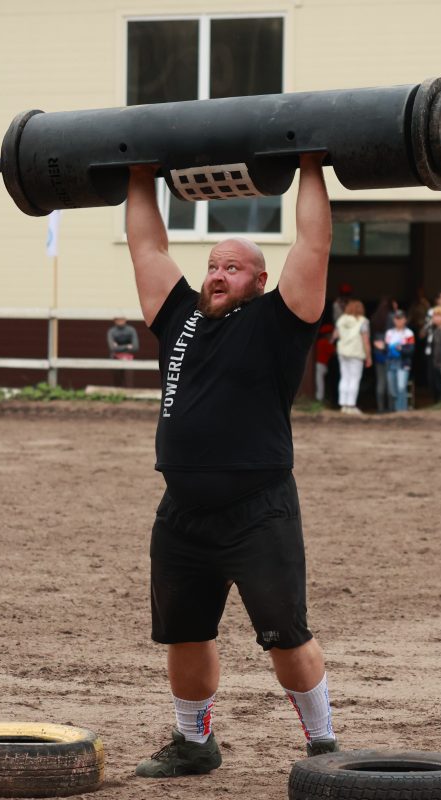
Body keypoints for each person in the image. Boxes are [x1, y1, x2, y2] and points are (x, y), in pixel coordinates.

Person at [123, 154, 338, 778]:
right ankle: (194, 743)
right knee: (185, 632)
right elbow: (146, 247)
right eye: (213, 266)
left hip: (258, 510)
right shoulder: (180, 316)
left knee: (285, 635)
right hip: (182, 512)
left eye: (233, 267)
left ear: (260, 279)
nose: (217, 275)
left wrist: (310, 161)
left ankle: (324, 745)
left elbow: (313, 243)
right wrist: (139, 172)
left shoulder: (282, 319)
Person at [333, 299, 371, 414]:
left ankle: (343, 405)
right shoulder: (363, 321)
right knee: (354, 379)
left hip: (342, 352)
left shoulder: (341, 320)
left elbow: (335, 335)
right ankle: (351, 405)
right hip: (356, 353)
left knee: (344, 378)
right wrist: (369, 357)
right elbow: (365, 341)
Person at [383, 310, 415, 412]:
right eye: (396, 318)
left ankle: (402, 410)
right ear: (393, 320)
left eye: (400, 318)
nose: (398, 321)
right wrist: (385, 348)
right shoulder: (389, 333)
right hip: (391, 362)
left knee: (401, 386)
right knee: (392, 389)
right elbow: (386, 348)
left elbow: (411, 349)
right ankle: (398, 408)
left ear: (405, 320)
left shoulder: (409, 333)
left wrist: (400, 349)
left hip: (403, 362)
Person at [423, 305, 441, 403]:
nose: (434, 318)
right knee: (433, 384)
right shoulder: (433, 330)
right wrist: (429, 325)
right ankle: (437, 402)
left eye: (437, 315)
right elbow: (421, 334)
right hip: (434, 361)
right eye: (434, 316)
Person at [107, 315, 140, 387]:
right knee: (117, 382)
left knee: (129, 382)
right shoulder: (112, 331)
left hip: (129, 358)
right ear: (114, 320)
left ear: (125, 319)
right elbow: (112, 348)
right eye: (118, 319)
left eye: (121, 318)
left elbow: (136, 347)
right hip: (115, 358)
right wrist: (127, 346)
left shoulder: (131, 330)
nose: (120, 321)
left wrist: (118, 347)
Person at [314, 324, 335, 404]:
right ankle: (320, 398)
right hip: (322, 365)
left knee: (320, 382)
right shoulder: (325, 342)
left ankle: (319, 398)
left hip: (320, 365)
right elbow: (334, 351)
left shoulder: (320, 341)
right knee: (320, 382)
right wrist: (332, 341)